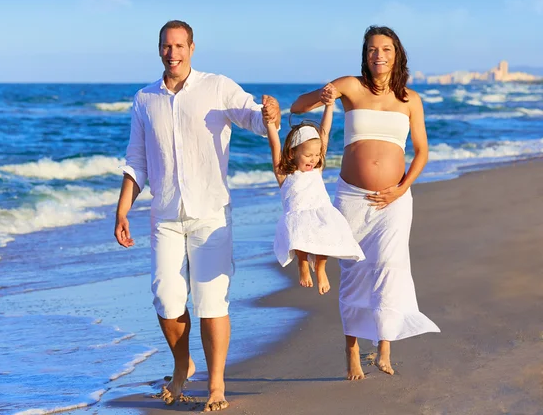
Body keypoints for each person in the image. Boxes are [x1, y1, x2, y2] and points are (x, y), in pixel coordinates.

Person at [114, 20, 280, 412]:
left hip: (210, 214)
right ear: (158, 50)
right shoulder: (145, 99)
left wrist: (269, 112)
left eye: (179, 46)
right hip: (165, 214)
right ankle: (181, 364)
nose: (172, 54)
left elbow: (255, 119)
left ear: (192, 47)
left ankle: (217, 384)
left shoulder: (217, 87)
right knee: (167, 297)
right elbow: (136, 161)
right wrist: (123, 210)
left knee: (211, 300)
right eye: (166, 47)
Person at [291, 25, 440, 381]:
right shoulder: (351, 86)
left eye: (386, 49)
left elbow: (421, 153)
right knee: (355, 271)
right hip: (351, 196)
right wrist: (323, 95)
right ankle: (353, 349)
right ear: (365, 54)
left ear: (396, 54)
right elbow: (298, 108)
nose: (379, 55)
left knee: (389, 267)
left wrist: (402, 188)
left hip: (394, 199)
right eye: (372, 49)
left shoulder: (410, 100)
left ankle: (384, 346)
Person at [265, 90, 364, 294]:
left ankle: (320, 268)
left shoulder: (317, 169)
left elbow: (324, 133)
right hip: (298, 215)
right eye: (308, 155)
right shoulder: (284, 174)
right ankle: (302, 264)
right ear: (293, 153)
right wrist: (269, 124)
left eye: (317, 155)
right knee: (299, 231)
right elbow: (275, 145)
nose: (314, 159)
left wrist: (329, 106)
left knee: (326, 234)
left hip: (321, 211)